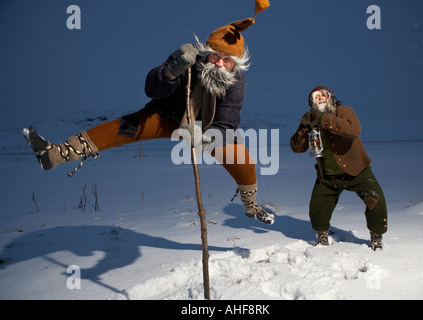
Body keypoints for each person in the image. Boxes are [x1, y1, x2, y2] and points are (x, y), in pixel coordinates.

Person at [23, 18, 275, 225]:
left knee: (242, 160)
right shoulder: (186, 58)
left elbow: (227, 122)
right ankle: (56, 154)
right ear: (206, 52)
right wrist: (172, 70)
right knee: (125, 126)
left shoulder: (236, 83)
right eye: (215, 56)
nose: (219, 63)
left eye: (227, 59)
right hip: (169, 116)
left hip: (209, 130)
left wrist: (203, 138)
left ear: (235, 64)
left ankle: (251, 206)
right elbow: (151, 88)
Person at [290, 86, 387, 250]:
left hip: (357, 172)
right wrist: (302, 129)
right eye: (315, 97)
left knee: (375, 201)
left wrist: (323, 119)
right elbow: (297, 148)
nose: (319, 98)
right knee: (317, 209)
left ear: (331, 98)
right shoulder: (312, 119)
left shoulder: (343, 111)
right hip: (328, 176)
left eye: (323, 95)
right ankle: (322, 237)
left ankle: (376, 237)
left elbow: (353, 130)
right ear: (311, 103)